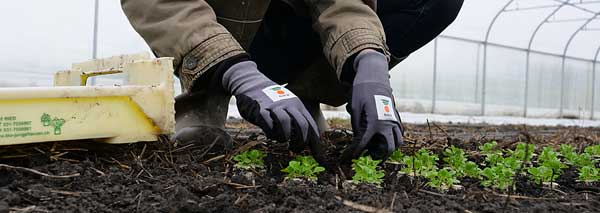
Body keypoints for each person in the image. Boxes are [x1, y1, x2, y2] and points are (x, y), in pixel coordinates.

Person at [120, 0, 463, 163]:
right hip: (222, 31)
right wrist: (237, 72)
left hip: (287, 27)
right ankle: (206, 99)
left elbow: (339, 3)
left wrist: (370, 64)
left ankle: (302, 97)